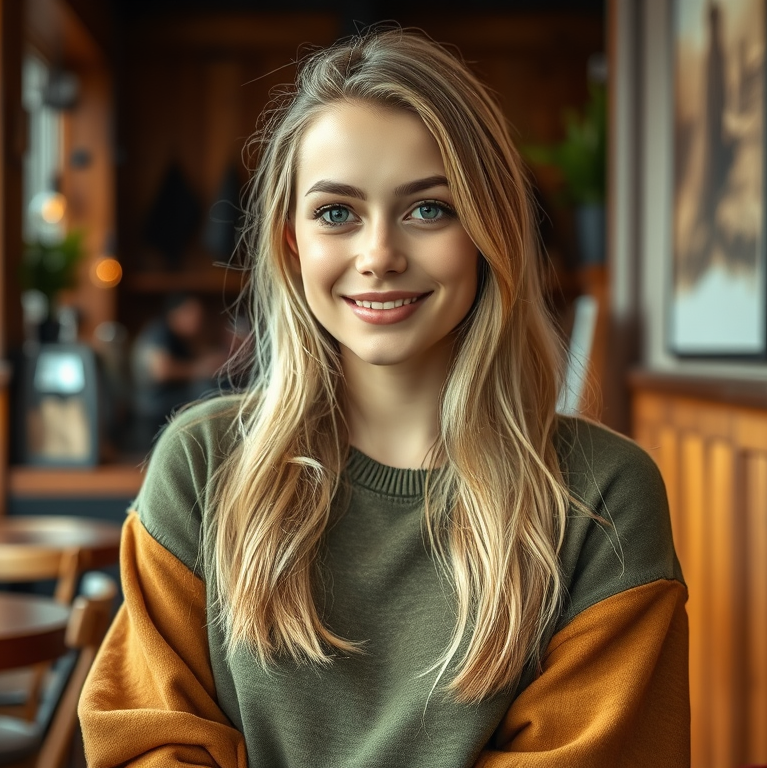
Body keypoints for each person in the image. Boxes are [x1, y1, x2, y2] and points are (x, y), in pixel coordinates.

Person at [79, 27, 689, 768]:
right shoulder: (202, 465)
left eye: (429, 209)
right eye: (337, 212)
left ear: (489, 229)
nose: (379, 255)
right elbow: (148, 745)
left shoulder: (604, 494)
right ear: (292, 242)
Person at [129, 292, 229, 448]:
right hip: (155, 412)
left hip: (170, 409)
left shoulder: (179, 338)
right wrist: (201, 368)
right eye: (192, 313)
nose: (198, 319)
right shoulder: (159, 331)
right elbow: (161, 370)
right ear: (176, 313)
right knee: (207, 391)